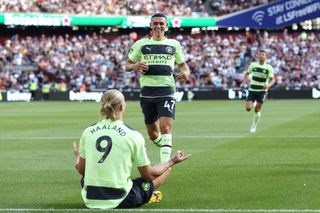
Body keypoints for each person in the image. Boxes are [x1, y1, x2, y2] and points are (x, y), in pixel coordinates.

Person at [73, 89, 190, 209]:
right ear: (122, 107)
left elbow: (81, 170)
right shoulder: (132, 135)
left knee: (84, 178)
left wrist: (77, 156)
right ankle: (148, 194)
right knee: (165, 170)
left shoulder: (88, 132)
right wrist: (172, 161)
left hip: (91, 199)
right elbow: (149, 175)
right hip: (123, 199)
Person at [125, 13, 190, 162]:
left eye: (161, 23)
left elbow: (183, 65)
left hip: (167, 91)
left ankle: (164, 166)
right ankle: (164, 148)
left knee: (166, 127)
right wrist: (135, 65)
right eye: (155, 23)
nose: (158, 26)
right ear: (150, 26)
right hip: (147, 93)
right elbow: (127, 66)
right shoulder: (141, 44)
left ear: (166, 26)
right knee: (154, 135)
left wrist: (186, 72)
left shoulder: (174, 45)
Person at [241, 49, 275, 133]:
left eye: (263, 54)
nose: (261, 56)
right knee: (248, 108)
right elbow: (247, 74)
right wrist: (243, 83)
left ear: (265, 56)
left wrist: (268, 85)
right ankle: (254, 102)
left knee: (257, 109)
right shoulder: (253, 65)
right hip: (252, 89)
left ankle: (254, 125)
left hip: (262, 91)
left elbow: (273, 79)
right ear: (258, 56)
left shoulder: (268, 67)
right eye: (260, 54)